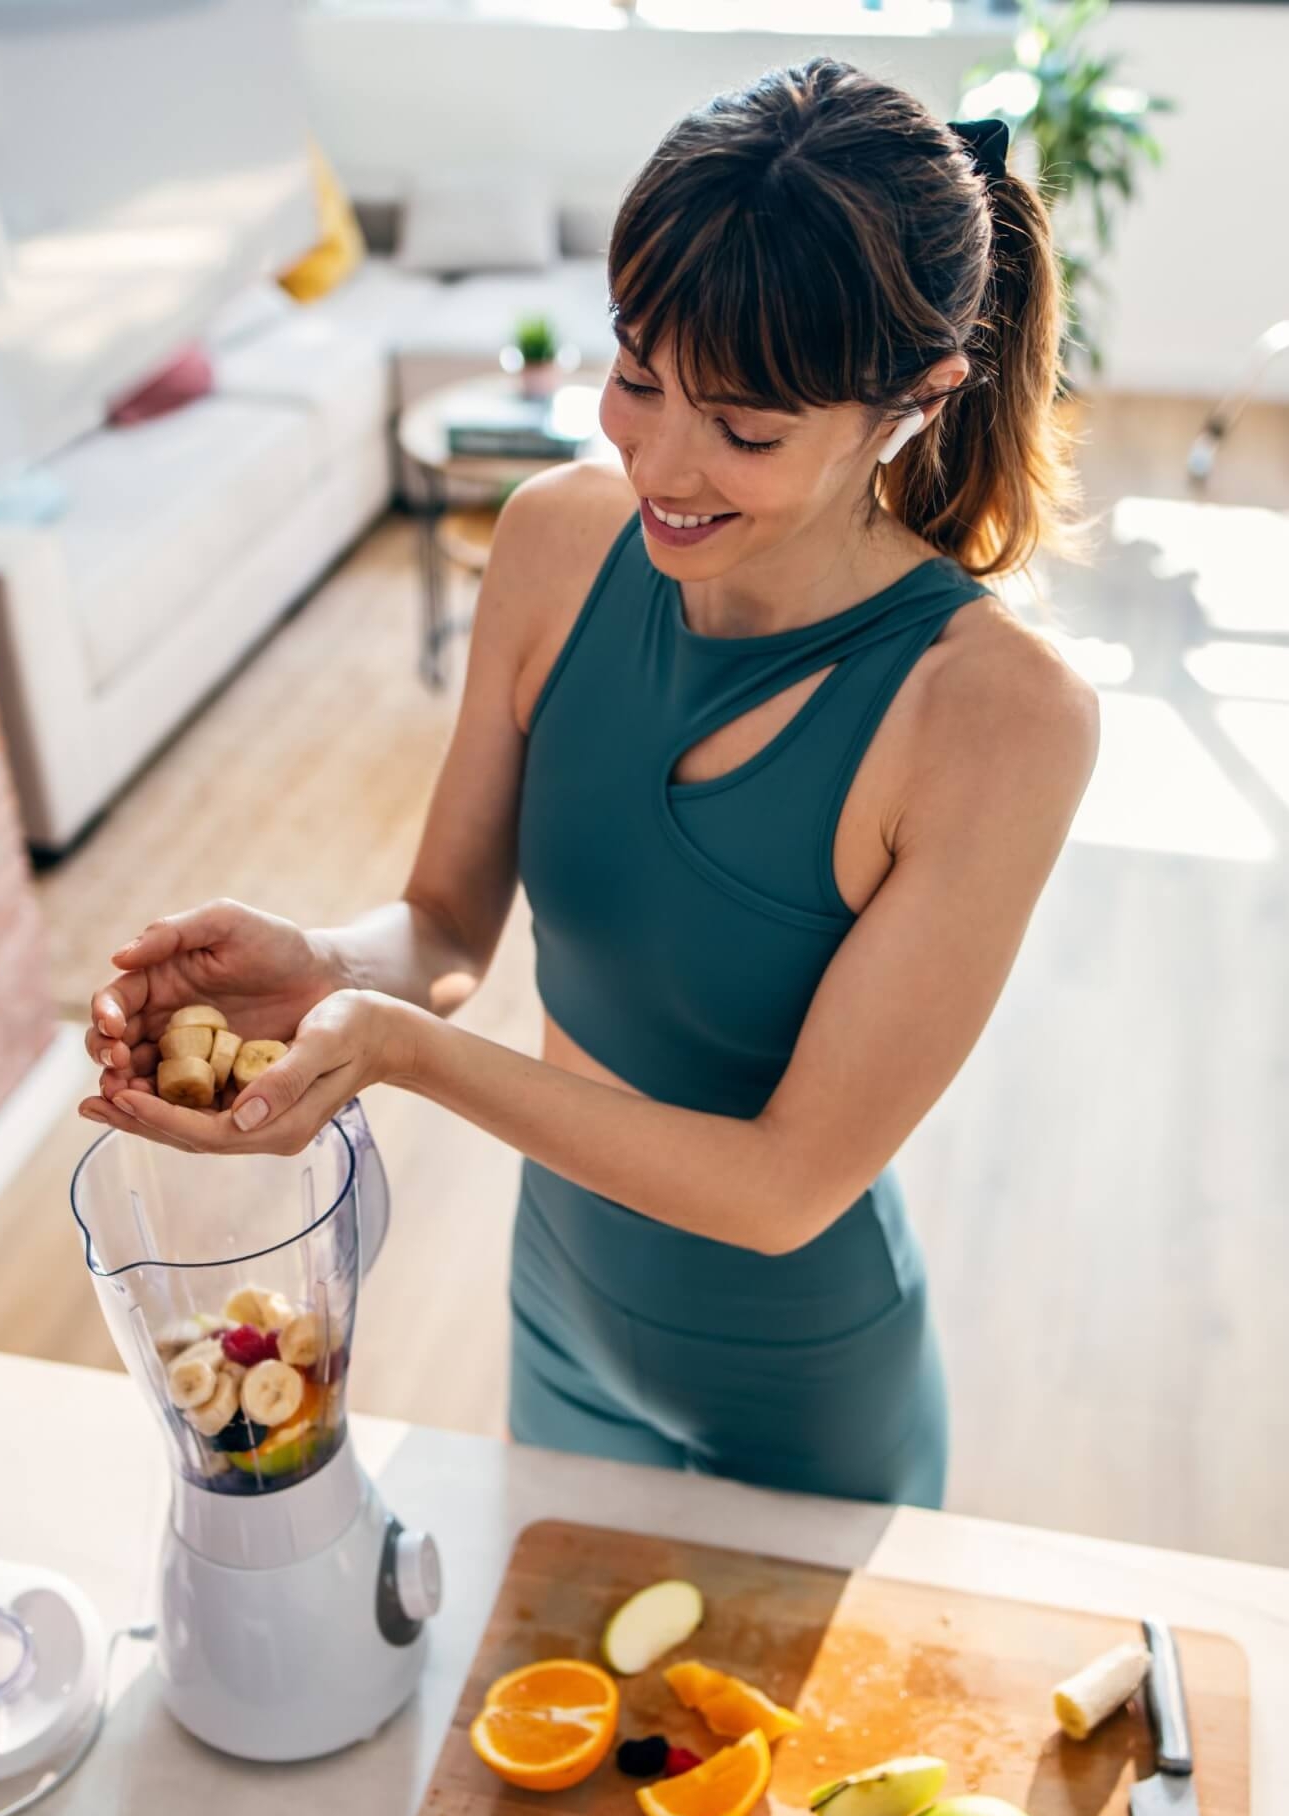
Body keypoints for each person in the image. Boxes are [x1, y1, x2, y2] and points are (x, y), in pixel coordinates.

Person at [83, 57, 1099, 1508]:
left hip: (802, 1386)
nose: (660, 462)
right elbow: (442, 926)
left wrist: (405, 1053)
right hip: (556, 1298)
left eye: (744, 429)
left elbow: (780, 1185)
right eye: (636, 375)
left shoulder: (997, 715)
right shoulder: (560, 540)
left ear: (913, 401)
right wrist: (319, 967)